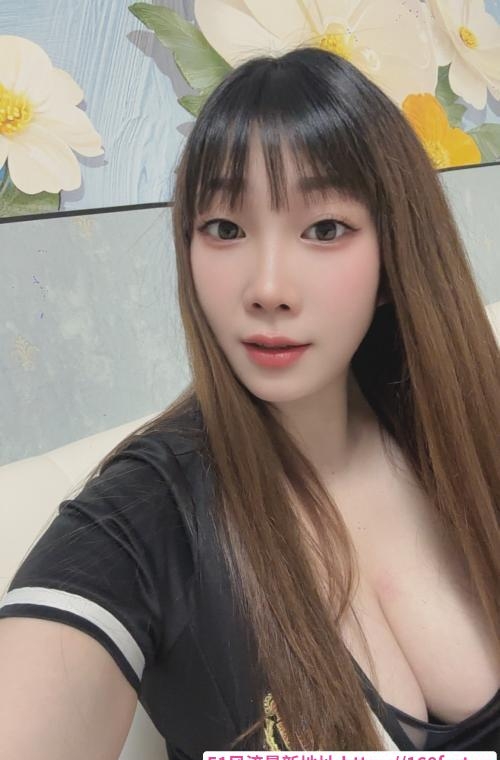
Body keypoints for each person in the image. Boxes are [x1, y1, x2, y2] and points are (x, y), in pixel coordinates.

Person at [0, 47, 499, 759]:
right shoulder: (149, 512)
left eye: (325, 229)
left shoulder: (463, 425)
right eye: (225, 229)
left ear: (395, 254)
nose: (267, 288)